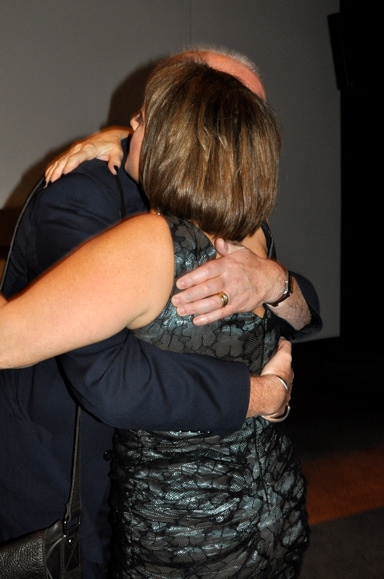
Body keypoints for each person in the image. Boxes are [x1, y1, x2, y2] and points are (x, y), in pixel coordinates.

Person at [0, 45, 320, 577]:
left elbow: (14, 342)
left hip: (184, 535)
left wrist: (279, 285)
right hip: (263, 510)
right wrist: (268, 394)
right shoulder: (245, 230)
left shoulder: (159, 239)